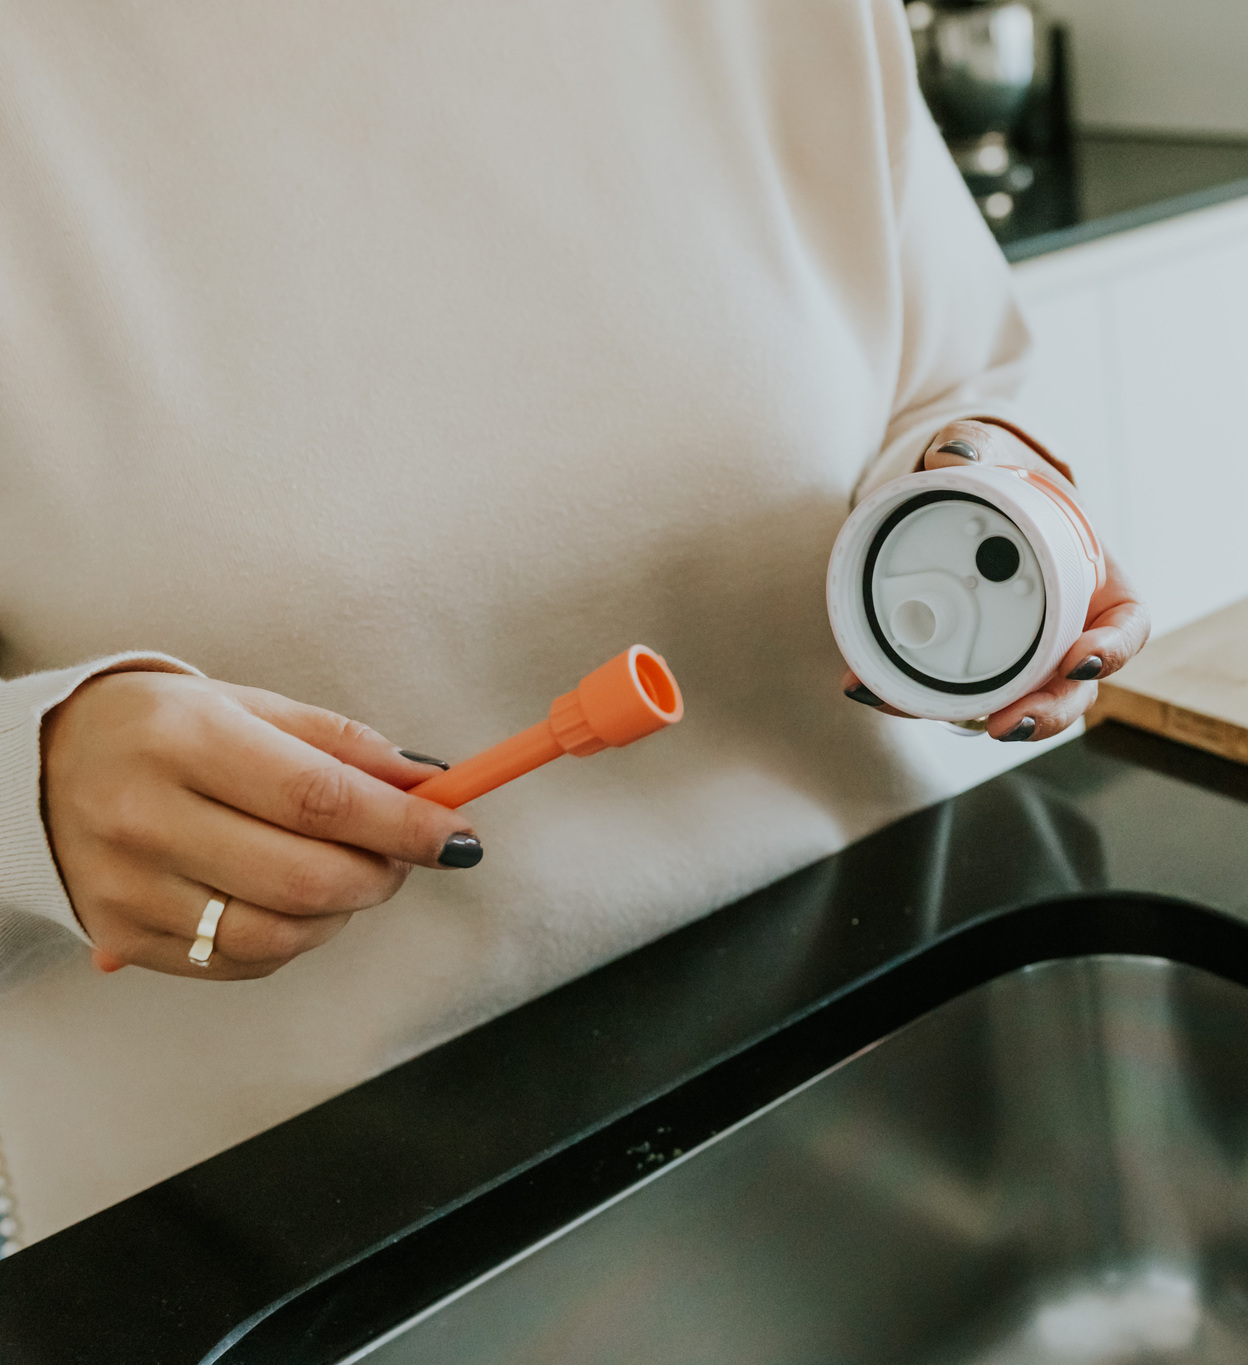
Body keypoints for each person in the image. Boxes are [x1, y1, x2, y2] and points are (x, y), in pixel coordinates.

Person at [0, 0, 1148, 1243]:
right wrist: (32, 792)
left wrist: (983, 489)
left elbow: (945, 375)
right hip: (300, 1227)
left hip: (880, 1062)